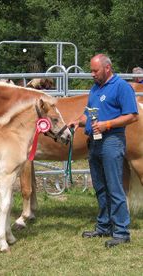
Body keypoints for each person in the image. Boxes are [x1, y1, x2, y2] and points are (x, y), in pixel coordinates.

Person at [69, 54, 138, 248]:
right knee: (100, 186)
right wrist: (78, 121)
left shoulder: (121, 87)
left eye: (95, 70)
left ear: (107, 68)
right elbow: (88, 113)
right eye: (91, 70)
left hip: (112, 141)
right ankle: (104, 226)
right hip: (95, 142)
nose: (92, 74)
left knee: (114, 187)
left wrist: (107, 124)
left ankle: (122, 231)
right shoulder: (95, 88)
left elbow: (132, 116)